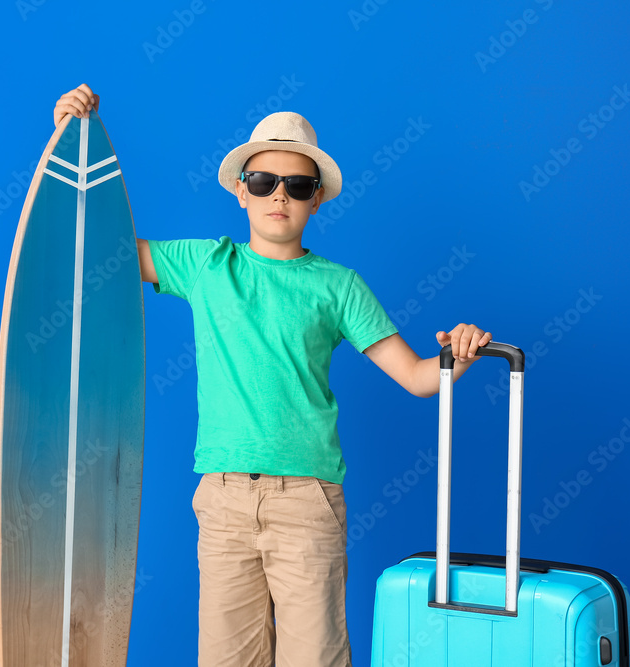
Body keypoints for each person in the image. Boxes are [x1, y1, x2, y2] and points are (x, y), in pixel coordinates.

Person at [53, 84, 493, 667]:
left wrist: (457, 357)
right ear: (241, 192)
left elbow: (416, 376)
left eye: (298, 185)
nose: (279, 195)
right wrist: (66, 140)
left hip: (306, 502)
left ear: (316, 201)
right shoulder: (206, 264)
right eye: (263, 182)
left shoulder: (339, 286)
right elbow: (93, 249)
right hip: (224, 497)